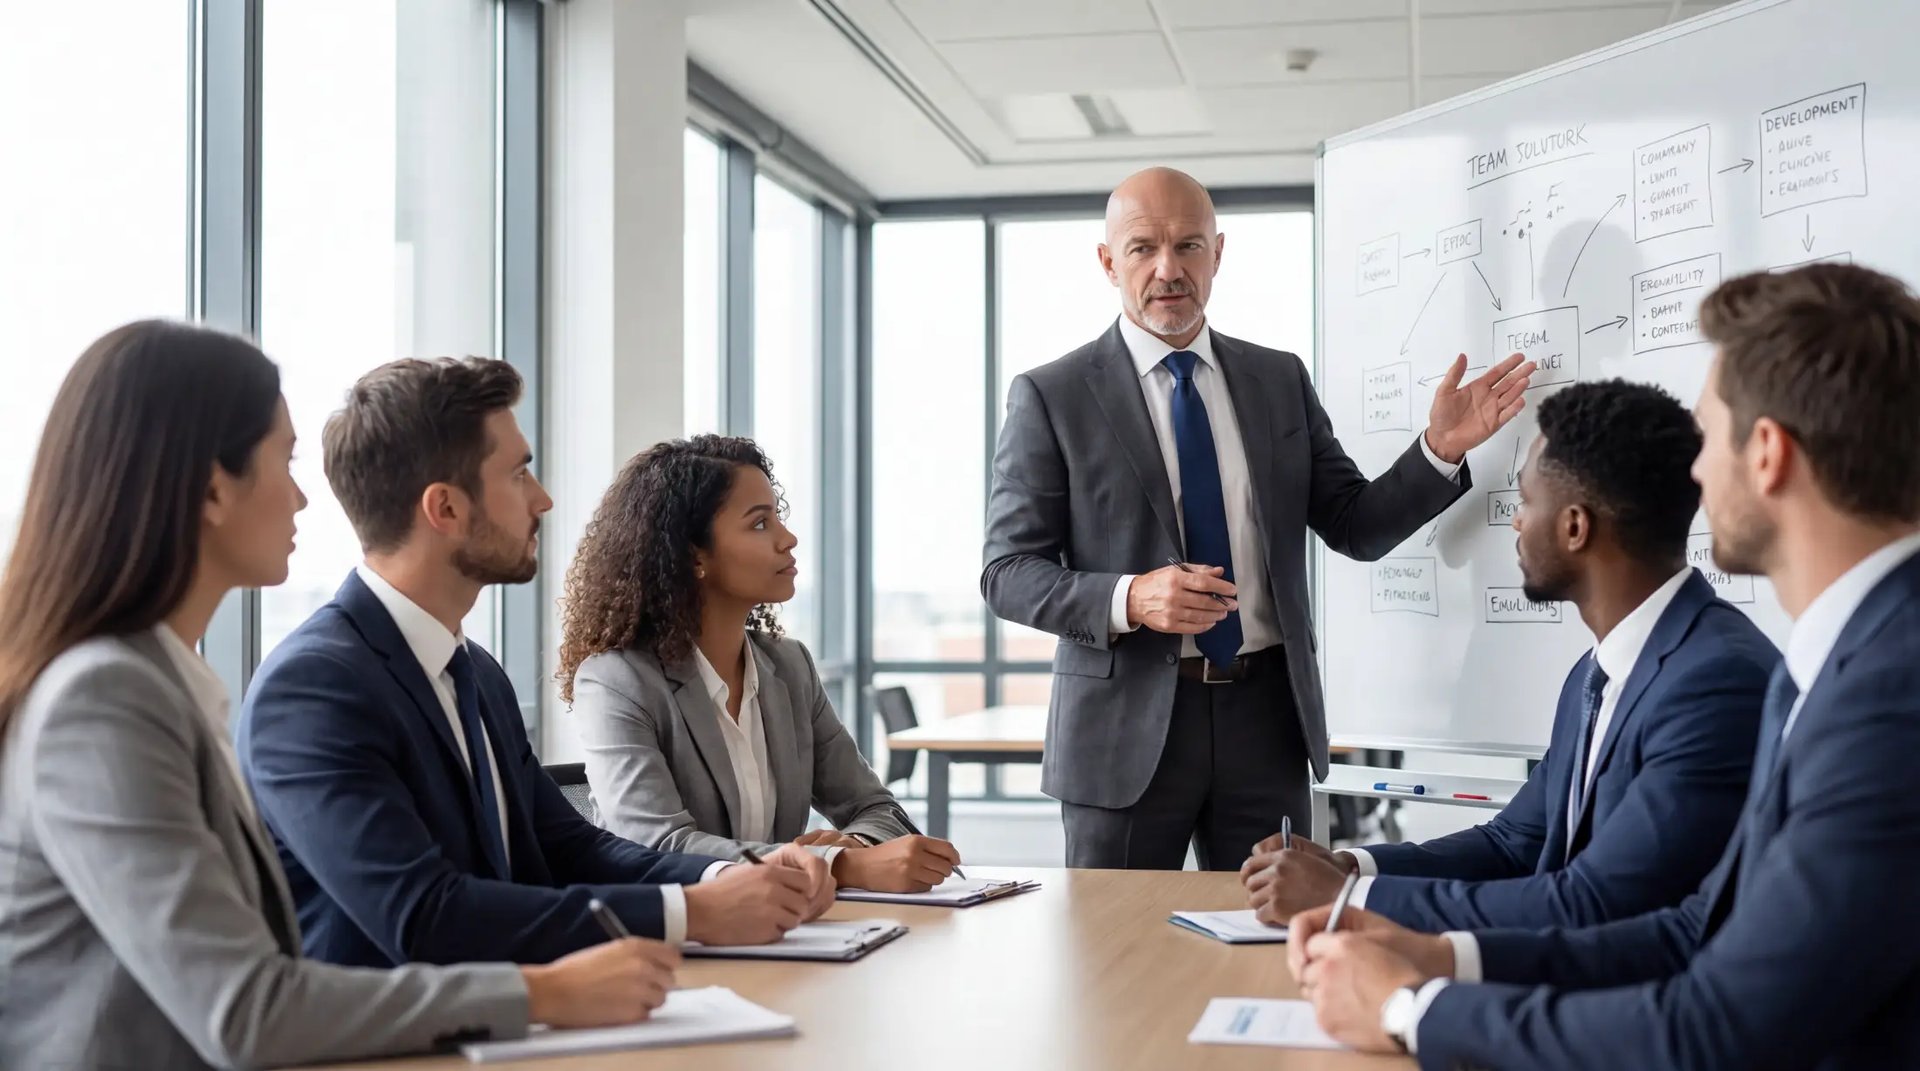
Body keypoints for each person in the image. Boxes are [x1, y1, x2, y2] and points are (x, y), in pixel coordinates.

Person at [1288, 262, 1920, 1069]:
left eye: (1709, 435)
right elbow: (1697, 928)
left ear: (1767, 454)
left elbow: (1713, 1029)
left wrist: (1411, 1008)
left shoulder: (1888, 700)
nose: (1694, 474)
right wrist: (1441, 959)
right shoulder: (1829, 667)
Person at [0, 322, 678, 1071]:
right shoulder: (103, 699)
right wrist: (540, 992)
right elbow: (249, 1009)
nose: (299, 496)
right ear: (211, 487)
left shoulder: (161, 683)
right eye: (283, 461)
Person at [981, 165, 1535, 869]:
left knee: (1266, 939)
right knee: (1109, 953)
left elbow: (1355, 523)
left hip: (1265, 722)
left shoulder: (1279, 380)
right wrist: (1132, 596)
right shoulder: (1051, 395)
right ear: (1107, 262)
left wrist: (1439, 449)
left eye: (1188, 246)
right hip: (1120, 735)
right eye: (1143, 248)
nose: (1167, 268)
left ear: (1218, 253)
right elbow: (1006, 571)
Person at [236, 357, 833, 971]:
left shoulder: (475, 673)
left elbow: (570, 847)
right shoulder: (313, 688)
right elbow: (424, 917)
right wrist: (693, 912)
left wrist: (728, 874)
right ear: (445, 509)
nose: (543, 500)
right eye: (519, 473)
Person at [1242, 380, 1777, 931]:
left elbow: (1594, 906)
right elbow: (1515, 842)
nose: (1516, 522)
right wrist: (1351, 866)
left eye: (1524, 501)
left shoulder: (1714, 684)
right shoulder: (1597, 674)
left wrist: (1348, 901)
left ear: (1574, 526)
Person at [558, 436, 962, 892]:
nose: (787, 539)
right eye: (759, 524)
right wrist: (834, 865)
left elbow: (876, 807)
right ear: (693, 556)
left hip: (782, 932)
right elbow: (657, 845)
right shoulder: (618, 680)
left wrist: (853, 843)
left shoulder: (789, 666)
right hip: (673, 938)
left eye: (778, 518)